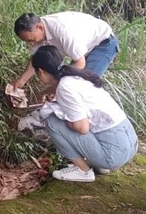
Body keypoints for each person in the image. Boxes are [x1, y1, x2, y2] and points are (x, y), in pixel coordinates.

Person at [33, 46, 138, 182]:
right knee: (80, 119)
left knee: (53, 121)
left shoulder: (64, 87)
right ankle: (99, 164)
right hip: (129, 143)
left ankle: (83, 171)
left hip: (113, 155)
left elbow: (83, 128)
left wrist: (65, 119)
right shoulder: (76, 77)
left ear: (40, 72)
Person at [11, 11, 118, 90]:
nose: (31, 44)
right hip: (82, 47)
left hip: (103, 43)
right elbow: (36, 60)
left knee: (82, 86)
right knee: (66, 83)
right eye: (27, 41)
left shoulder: (62, 31)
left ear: (40, 27)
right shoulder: (36, 33)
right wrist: (22, 80)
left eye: (31, 40)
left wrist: (52, 89)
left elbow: (80, 63)